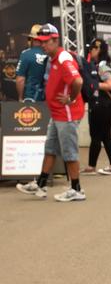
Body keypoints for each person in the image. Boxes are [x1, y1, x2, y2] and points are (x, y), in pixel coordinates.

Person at [16, 24, 87, 202]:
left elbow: (78, 81)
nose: (42, 45)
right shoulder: (54, 58)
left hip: (66, 113)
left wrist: (71, 98)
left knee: (69, 152)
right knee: (50, 148)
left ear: (56, 40)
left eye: (46, 42)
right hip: (58, 113)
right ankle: (40, 184)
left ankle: (76, 189)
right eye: (40, 42)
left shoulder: (63, 59)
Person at [81, 40, 111, 176]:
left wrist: (94, 85)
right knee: (97, 136)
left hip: (103, 105)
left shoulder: (102, 66)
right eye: (90, 47)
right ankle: (93, 166)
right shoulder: (95, 65)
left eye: (93, 48)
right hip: (98, 105)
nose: (90, 50)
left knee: (103, 137)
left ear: (99, 49)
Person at [15, 24, 48, 101]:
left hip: (31, 97)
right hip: (48, 97)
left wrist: (20, 98)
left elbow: (20, 80)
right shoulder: (50, 54)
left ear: (32, 39)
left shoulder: (26, 54)